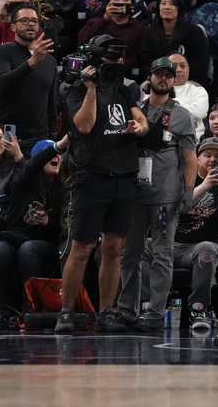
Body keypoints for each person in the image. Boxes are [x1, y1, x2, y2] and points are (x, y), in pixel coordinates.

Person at [55, 36, 150, 334]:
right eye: (111, 59)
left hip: (124, 175)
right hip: (92, 177)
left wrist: (139, 126)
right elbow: (84, 125)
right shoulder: (75, 90)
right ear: (96, 61)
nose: (117, 64)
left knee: (114, 248)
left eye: (120, 59)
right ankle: (66, 311)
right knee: (82, 247)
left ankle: (107, 312)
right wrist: (91, 89)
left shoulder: (123, 90)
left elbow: (142, 120)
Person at [117, 57, 198, 332]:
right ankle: (127, 310)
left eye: (168, 75)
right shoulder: (134, 110)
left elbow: (189, 157)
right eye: (158, 74)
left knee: (162, 255)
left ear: (174, 81)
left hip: (165, 196)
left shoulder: (181, 115)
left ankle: (154, 314)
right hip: (134, 195)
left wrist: (188, 191)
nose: (163, 79)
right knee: (130, 254)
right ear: (149, 78)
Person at [0, 137, 68, 319]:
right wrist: (55, 147)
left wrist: (47, 222)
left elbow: (61, 229)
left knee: (28, 249)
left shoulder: (62, 189)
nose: (56, 157)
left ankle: (30, 310)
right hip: (13, 237)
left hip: (42, 242)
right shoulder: (23, 180)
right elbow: (31, 166)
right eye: (50, 154)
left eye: (59, 155)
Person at [172, 139, 218, 333]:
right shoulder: (182, 180)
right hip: (170, 245)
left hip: (198, 248)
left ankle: (199, 309)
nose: (213, 160)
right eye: (208, 156)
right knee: (141, 247)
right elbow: (175, 209)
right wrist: (205, 185)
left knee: (208, 249)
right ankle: (145, 308)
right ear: (197, 159)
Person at [0, 1, 56, 144]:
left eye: (34, 21)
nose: (30, 24)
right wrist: (32, 62)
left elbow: (51, 103)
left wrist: (52, 134)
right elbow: (3, 83)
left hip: (39, 136)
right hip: (6, 135)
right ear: (13, 27)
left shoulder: (49, 60)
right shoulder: (0, 52)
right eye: (24, 20)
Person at [139, 0, 211, 89]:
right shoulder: (149, 33)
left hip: (187, 82)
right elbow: (145, 63)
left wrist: (176, 79)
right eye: (163, 3)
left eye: (172, 4)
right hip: (157, 81)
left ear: (179, 8)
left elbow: (199, 66)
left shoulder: (194, 33)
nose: (167, 7)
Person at [77, 0, 147, 75]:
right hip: (93, 70)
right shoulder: (96, 22)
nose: (121, 2)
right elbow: (82, 41)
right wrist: (105, 19)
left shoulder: (139, 29)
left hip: (123, 73)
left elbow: (139, 56)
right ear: (108, 3)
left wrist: (121, 63)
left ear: (131, 4)